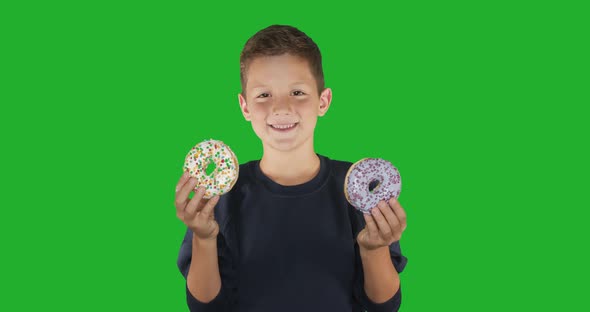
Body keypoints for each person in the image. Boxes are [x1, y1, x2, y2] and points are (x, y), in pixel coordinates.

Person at [175, 24, 408, 312]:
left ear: (323, 101)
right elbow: (206, 307)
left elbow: (383, 306)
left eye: (297, 92)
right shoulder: (221, 197)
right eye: (264, 95)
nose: (281, 108)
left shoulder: (355, 192)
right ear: (244, 106)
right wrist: (203, 237)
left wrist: (374, 249)